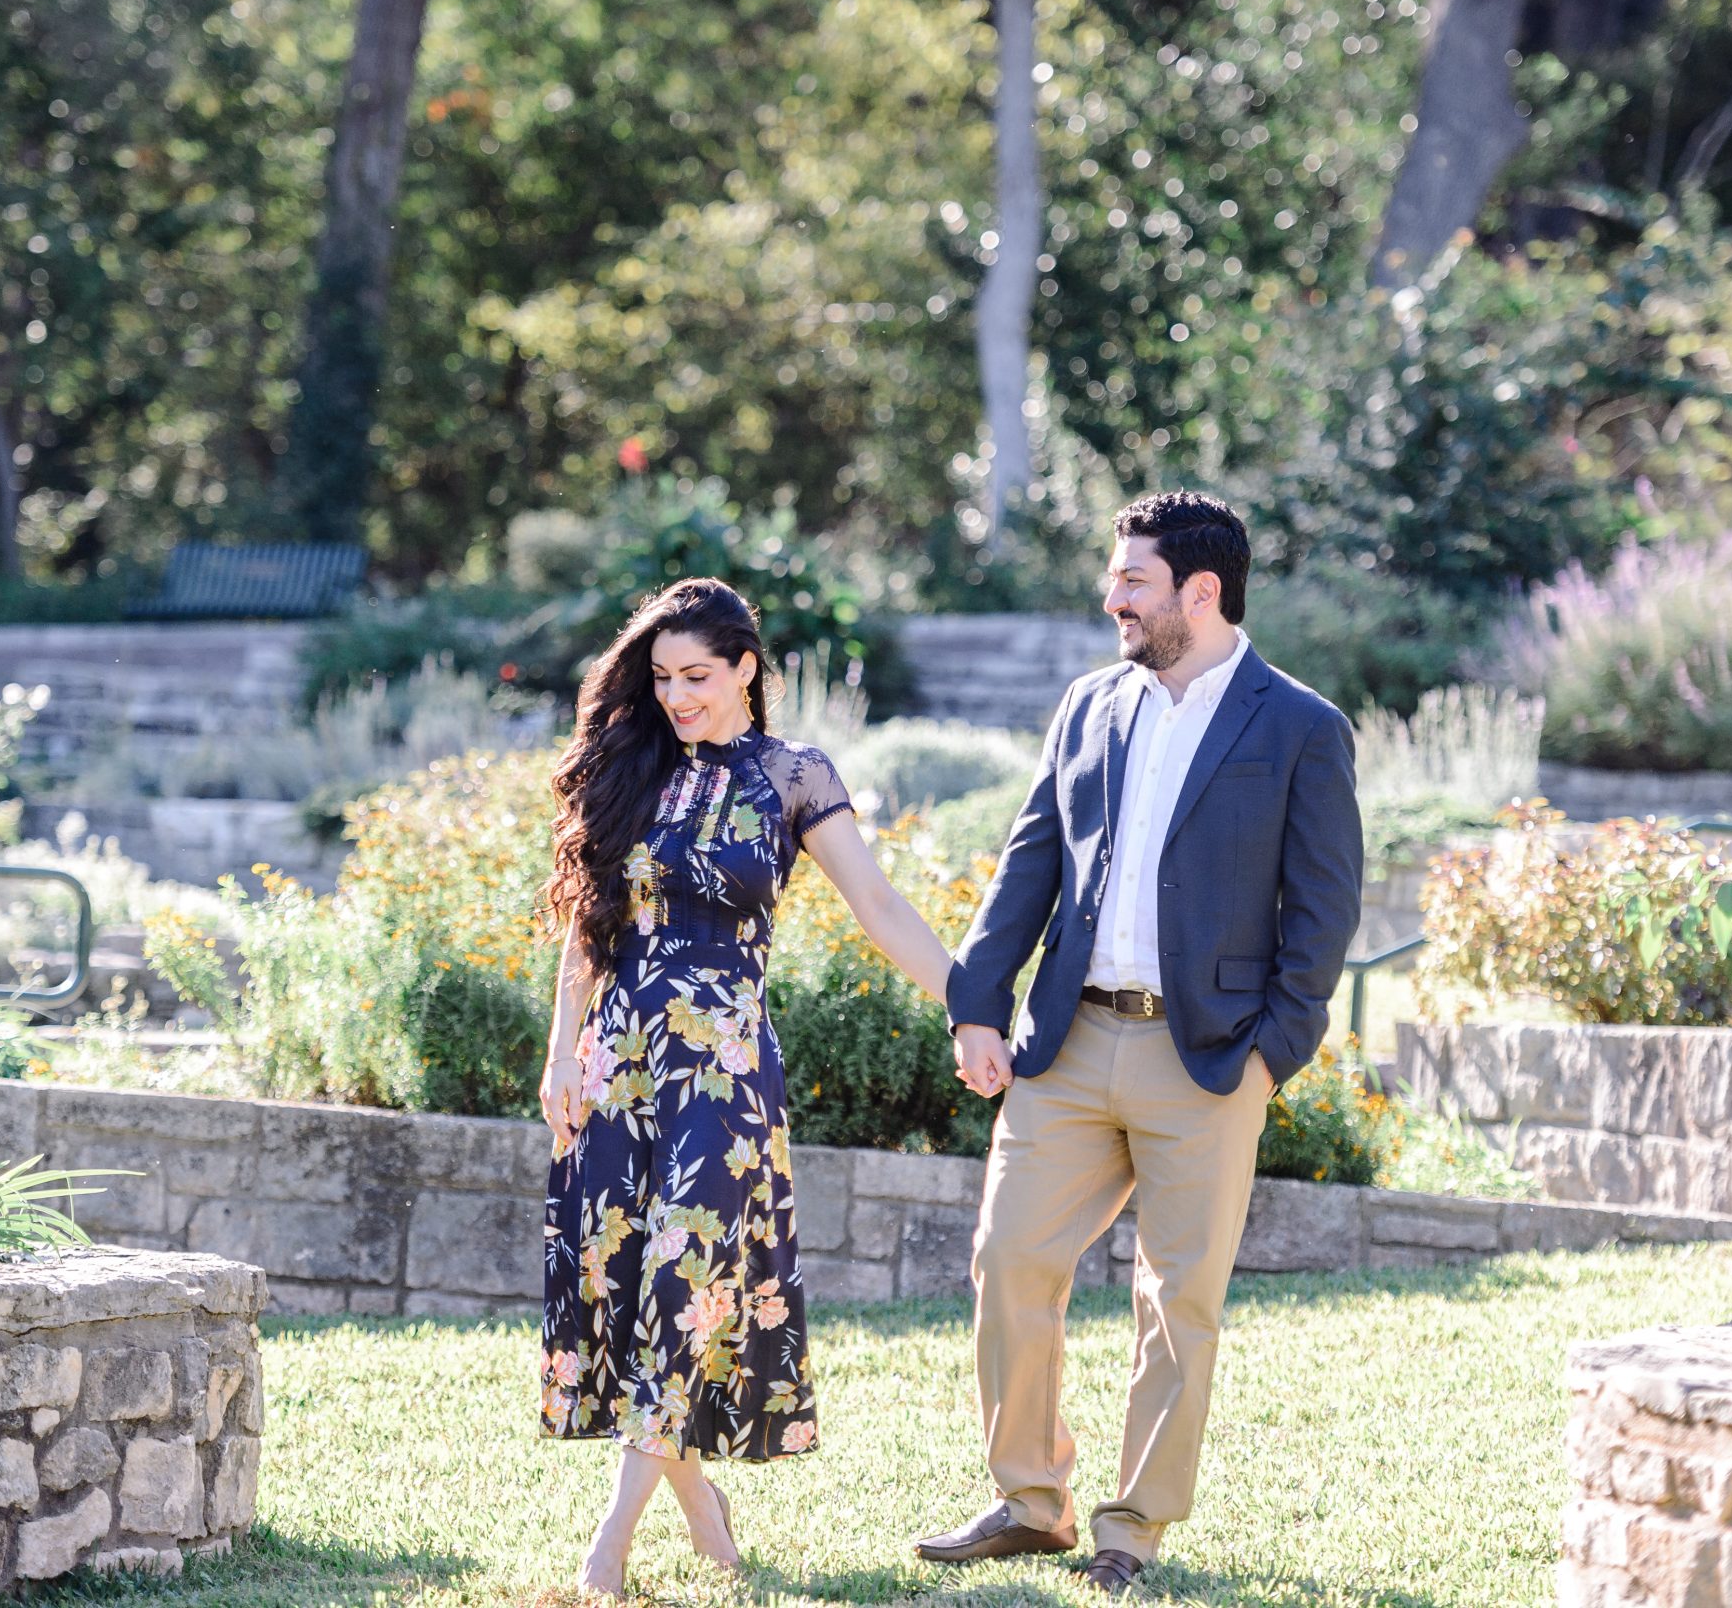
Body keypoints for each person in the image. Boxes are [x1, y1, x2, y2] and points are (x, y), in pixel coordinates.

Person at [912, 491, 1364, 1594]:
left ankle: (1132, 1531)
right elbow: (1029, 864)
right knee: (1010, 1260)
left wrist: (1271, 1054)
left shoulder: (1301, 726)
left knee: (1178, 1300)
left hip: (1205, 1058)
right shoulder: (1089, 706)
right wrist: (977, 1003)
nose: (1111, 597)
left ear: (1197, 593)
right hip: (1066, 1048)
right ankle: (1030, 1502)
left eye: (1131, 581)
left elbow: (1322, 910)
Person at [538, 577, 959, 1598]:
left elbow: (876, 902)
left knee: (688, 1280)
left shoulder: (792, 776)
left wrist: (970, 999)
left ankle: (609, 1549)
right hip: (618, 1058)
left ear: (744, 670)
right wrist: (560, 1057)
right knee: (631, 1278)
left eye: (696, 676)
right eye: (662, 677)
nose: (677, 695)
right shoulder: (629, 768)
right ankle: (703, 1512)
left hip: (720, 1067)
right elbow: (587, 930)